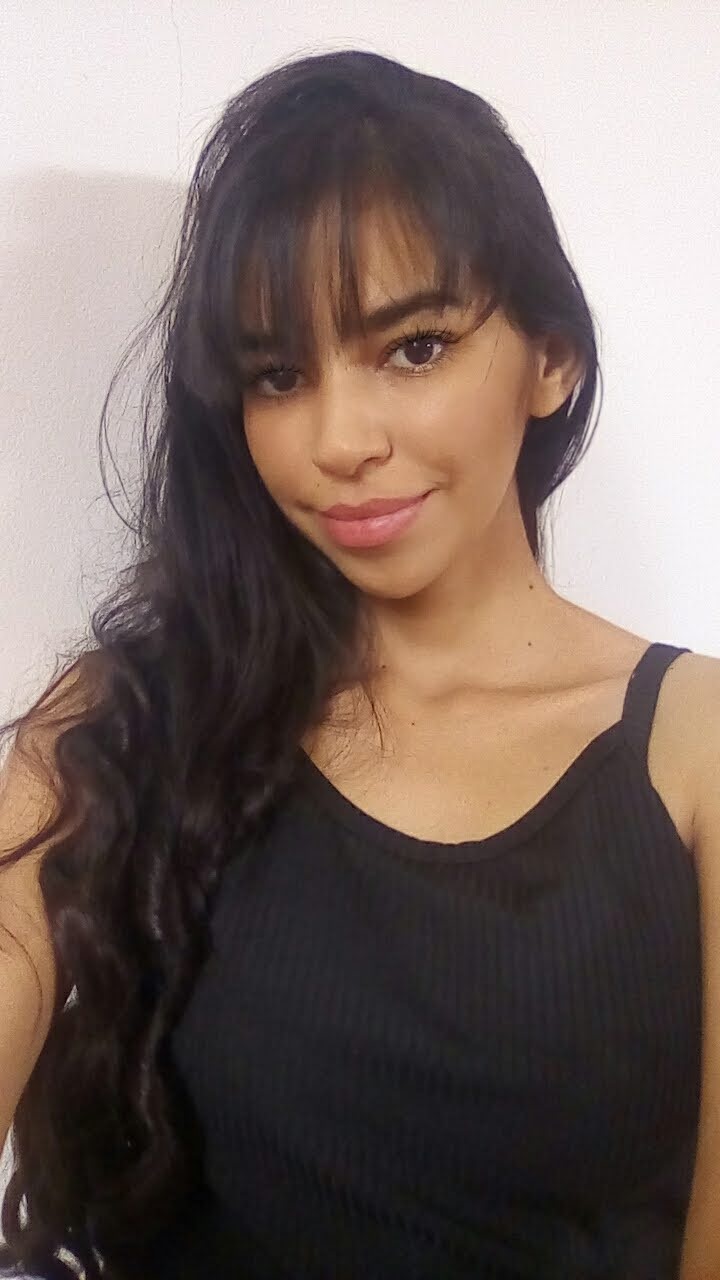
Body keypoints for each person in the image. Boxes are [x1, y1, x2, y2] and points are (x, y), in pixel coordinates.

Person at [0, 45, 718, 1280]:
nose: (337, 438)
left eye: (414, 347)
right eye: (278, 374)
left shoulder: (695, 749)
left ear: (552, 357)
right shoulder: (125, 719)